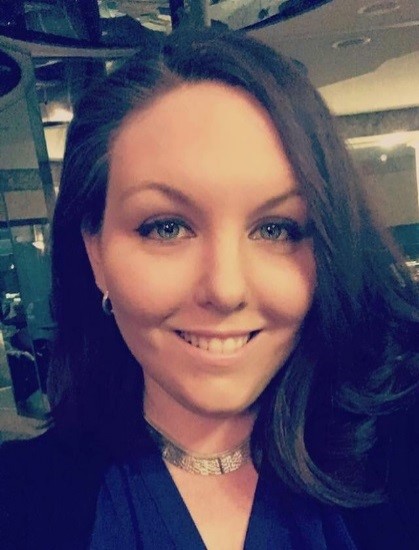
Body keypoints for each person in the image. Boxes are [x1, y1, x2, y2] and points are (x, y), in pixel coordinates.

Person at [1, 27, 419, 550]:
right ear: (96, 254)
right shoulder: (17, 503)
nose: (225, 289)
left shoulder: (398, 457)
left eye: (276, 229)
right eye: (166, 227)